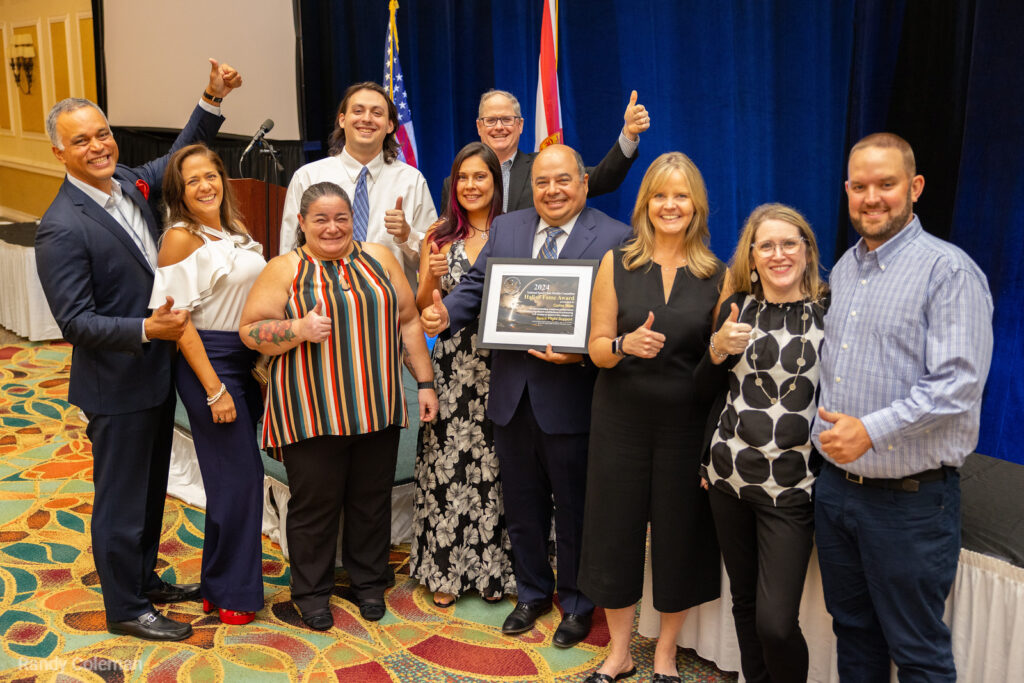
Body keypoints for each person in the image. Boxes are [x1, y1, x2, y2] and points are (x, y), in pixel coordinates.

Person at [34, 59, 241, 641]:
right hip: (116, 385)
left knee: (152, 489)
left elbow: (180, 153)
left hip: (156, 375)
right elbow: (75, 322)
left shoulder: (126, 181)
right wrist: (149, 331)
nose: (98, 146)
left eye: (102, 133)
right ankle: (125, 608)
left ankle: (144, 579)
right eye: (82, 141)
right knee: (121, 501)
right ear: (60, 152)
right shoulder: (61, 227)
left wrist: (210, 97)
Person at [421, 144, 632, 649]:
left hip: (573, 397)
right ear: (530, 185)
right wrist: (446, 313)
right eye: (542, 182)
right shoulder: (509, 227)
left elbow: (617, 318)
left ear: (583, 182)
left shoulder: (615, 237)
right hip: (511, 396)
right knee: (522, 504)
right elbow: (476, 285)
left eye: (563, 181)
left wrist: (580, 354)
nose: (552, 191)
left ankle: (579, 604)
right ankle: (533, 593)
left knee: (574, 508)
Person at [811, 133, 993, 681]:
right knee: (854, 633)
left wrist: (871, 430)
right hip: (838, 492)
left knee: (917, 653)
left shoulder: (948, 271)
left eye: (886, 185)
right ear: (847, 191)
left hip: (911, 506)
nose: (872, 198)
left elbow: (957, 384)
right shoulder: (844, 268)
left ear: (913, 187)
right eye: (860, 186)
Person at [240, 182, 439, 631]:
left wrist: (424, 382)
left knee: (372, 500)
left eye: (341, 218)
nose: (332, 227)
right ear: (302, 223)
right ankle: (311, 592)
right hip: (311, 410)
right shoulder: (285, 268)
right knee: (315, 505)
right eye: (321, 219)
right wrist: (297, 329)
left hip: (377, 406)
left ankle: (369, 582)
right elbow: (251, 331)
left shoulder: (381, 259)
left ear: (353, 219)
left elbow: (408, 320)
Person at [578, 152, 722, 682]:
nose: (670, 205)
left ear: (696, 206)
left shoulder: (718, 275)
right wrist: (623, 343)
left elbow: (717, 365)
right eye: (660, 195)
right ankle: (618, 653)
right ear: (645, 204)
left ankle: (664, 654)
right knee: (614, 537)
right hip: (620, 422)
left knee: (680, 540)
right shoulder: (617, 262)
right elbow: (595, 348)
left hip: (686, 429)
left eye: (680, 195)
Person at [697, 203, 829, 683]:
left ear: (807, 252)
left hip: (792, 491)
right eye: (766, 245)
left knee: (775, 623)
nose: (778, 254)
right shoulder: (735, 308)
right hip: (729, 479)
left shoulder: (829, 312)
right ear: (751, 257)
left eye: (789, 243)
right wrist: (715, 349)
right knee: (745, 603)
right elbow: (703, 391)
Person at [148, 144, 265, 625]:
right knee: (241, 479)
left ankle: (219, 585)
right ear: (179, 191)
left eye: (211, 175)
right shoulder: (180, 237)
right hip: (208, 362)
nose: (205, 185)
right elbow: (178, 323)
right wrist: (215, 388)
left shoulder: (232, 230)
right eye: (192, 180)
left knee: (229, 481)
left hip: (242, 360)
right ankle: (235, 592)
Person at [410, 142, 514, 608]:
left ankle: (496, 573)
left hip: (504, 363)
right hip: (453, 365)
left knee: (497, 466)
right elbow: (419, 306)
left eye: (481, 177)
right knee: (448, 465)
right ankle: (445, 571)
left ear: (496, 182)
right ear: (453, 184)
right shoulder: (439, 233)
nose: (471, 186)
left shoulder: (515, 231)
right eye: (463, 178)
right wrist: (431, 276)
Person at [277, 81, 436, 288]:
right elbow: (289, 251)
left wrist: (407, 235)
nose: (367, 119)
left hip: (391, 308)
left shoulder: (411, 180)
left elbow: (432, 257)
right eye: (358, 111)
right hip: (321, 305)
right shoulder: (307, 177)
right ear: (342, 120)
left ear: (390, 125)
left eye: (377, 113)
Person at [441, 89, 650, 213]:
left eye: (506, 119)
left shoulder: (543, 167)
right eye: (491, 120)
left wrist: (628, 134)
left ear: (520, 125)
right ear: (479, 126)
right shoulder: (456, 184)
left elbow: (604, 180)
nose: (499, 127)